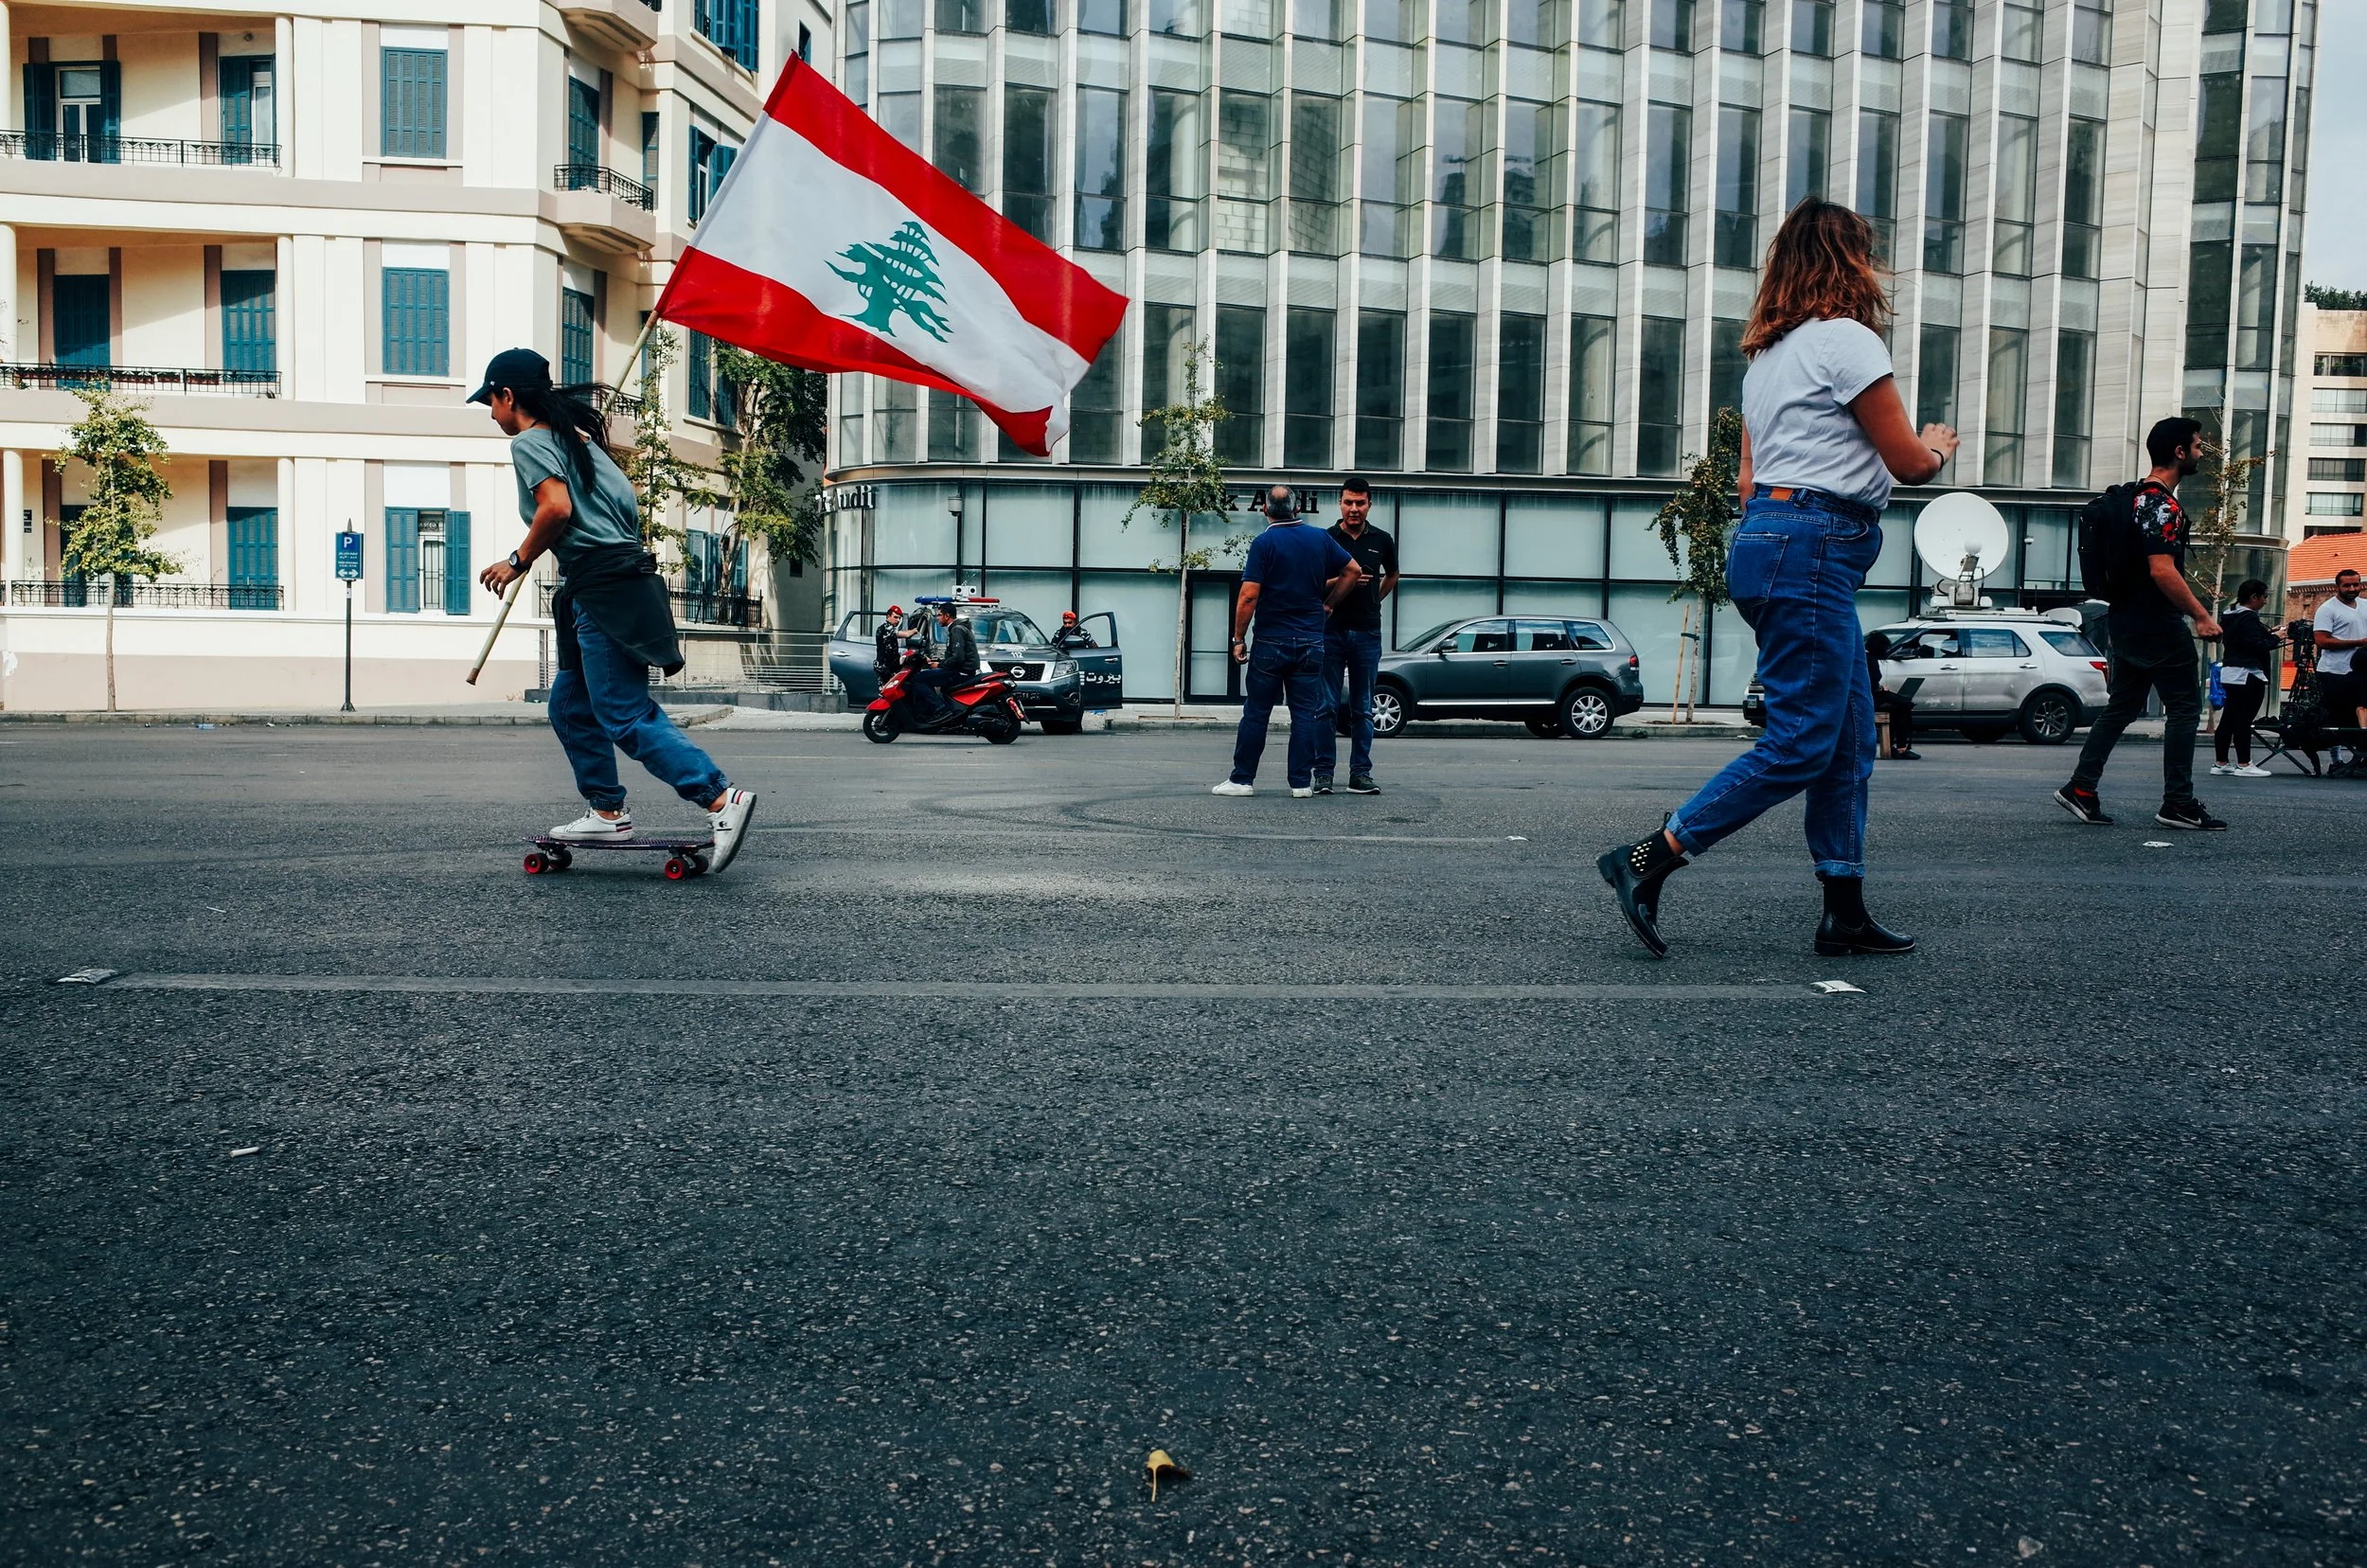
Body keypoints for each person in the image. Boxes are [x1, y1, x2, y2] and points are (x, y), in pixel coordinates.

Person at [1595, 200, 1957, 959]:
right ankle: (1647, 857)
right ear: (1852, 262)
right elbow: (1908, 463)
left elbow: (1747, 486)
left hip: (1772, 542)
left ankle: (1844, 909)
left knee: (1849, 738)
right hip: (1815, 545)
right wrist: (1935, 445)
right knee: (1801, 740)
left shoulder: (1767, 361)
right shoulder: (1848, 342)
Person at [470, 348, 758, 870]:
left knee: (622, 713)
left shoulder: (534, 443)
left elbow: (555, 508)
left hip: (605, 587)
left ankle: (719, 798)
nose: (491, 413)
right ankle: (607, 813)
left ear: (507, 396)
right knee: (570, 706)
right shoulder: (579, 443)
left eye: (490, 401)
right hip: (602, 583)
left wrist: (517, 560)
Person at [2054, 418, 2226, 830]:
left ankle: (2081, 788)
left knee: (2123, 707)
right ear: (2180, 452)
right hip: (2156, 623)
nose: (2203, 453)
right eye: (2199, 446)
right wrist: (2201, 615)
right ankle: (2178, 803)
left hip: (2125, 619)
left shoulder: (2131, 498)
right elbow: (2163, 571)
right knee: (2185, 709)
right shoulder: (2160, 503)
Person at [1213, 486, 1362, 798]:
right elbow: (1353, 571)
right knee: (1304, 714)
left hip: (1271, 641)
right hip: (1310, 641)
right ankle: (1300, 783)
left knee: (1256, 712)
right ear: (1297, 510)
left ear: (1266, 511)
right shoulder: (1321, 538)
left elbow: (1249, 595)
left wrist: (1238, 638)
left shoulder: (1264, 543)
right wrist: (1329, 603)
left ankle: (1242, 780)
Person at [1314, 476, 1399, 796]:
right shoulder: (1325, 539)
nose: (1354, 509)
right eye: (1348, 502)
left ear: (1369, 505)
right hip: (1330, 631)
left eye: (1360, 503)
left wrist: (1375, 597)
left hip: (1367, 631)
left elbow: (1393, 574)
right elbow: (1314, 582)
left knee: (1364, 708)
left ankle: (1360, 774)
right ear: (1340, 503)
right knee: (1325, 706)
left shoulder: (1382, 539)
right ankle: (1323, 774)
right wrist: (1344, 580)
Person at [2211, 579, 2280, 778]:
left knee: (2228, 719)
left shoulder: (2230, 614)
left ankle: (2221, 762)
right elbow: (2255, 645)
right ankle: (2244, 763)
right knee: (2243, 720)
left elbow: (2242, 640)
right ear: (2254, 597)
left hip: (2231, 673)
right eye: (2264, 597)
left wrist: (2268, 634)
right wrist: (2277, 638)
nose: (2266, 601)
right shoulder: (2249, 616)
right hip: (2248, 674)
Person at [2314, 567, 2367, 775]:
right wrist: (2358, 643)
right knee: (2337, 717)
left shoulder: (2364, 606)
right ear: (2338, 586)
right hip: (2334, 671)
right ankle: (2337, 759)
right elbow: (2321, 640)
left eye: (2356, 584)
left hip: (2361, 673)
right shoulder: (2328, 609)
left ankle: (2360, 756)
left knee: (2361, 714)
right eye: (2347, 585)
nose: (2352, 588)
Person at [909, 602, 977, 719]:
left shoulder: (957, 629)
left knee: (918, 679)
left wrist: (940, 664)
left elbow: (958, 658)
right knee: (926, 677)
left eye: (939, 615)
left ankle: (940, 709)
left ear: (947, 616)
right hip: (961, 670)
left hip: (961, 672)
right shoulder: (957, 628)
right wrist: (937, 661)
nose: (938, 618)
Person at [1865, 631, 1919, 759]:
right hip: (1871, 699)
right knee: (1904, 706)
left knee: (1899, 706)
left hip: (1869, 697)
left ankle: (1896, 747)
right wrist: (1881, 688)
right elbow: (1872, 684)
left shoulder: (1864, 658)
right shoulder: (1870, 660)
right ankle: (1902, 748)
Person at [875, 604, 918, 680]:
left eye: (899, 618)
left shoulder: (889, 628)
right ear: (888, 616)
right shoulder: (886, 628)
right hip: (885, 667)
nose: (898, 620)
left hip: (890, 666)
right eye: (895, 617)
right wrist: (915, 630)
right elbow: (906, 634)